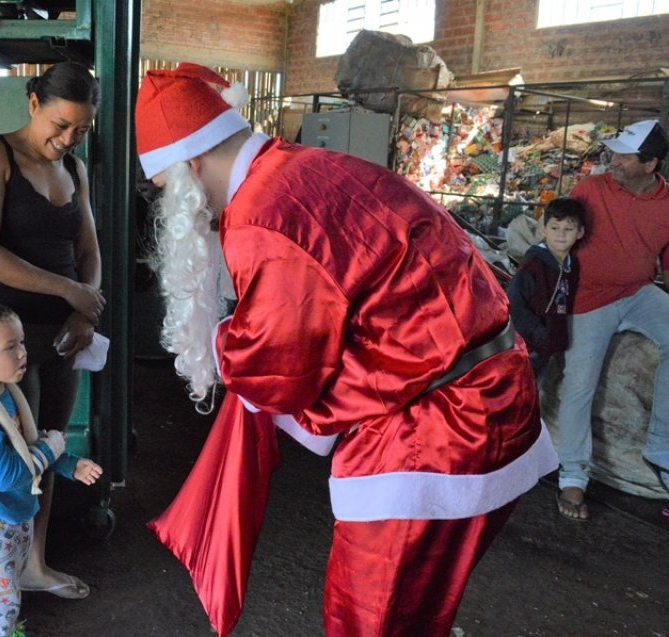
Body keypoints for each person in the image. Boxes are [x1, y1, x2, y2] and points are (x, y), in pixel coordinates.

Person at [135, 63, 557, 637]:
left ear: (190, 165)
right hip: (493, 395)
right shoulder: (311, 166)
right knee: (419, 604)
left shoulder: (262, 216)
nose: (169, 210)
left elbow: (276, 364)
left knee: (370, 617)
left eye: (164, 192)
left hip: (435, 433)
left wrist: (218, 341)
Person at [0, 61, 105, 600]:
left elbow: (88, 251)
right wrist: (71, 293)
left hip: (65, 335)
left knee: (49, 446)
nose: (67, 139)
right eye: (60, 125)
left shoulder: (77, 169)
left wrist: (85, 312)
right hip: (5, 340)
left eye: (81, 131)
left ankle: (33, 565)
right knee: (6, 463)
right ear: (32, 103)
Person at [0, 302, 103, 637]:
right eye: (10, 347)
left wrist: (70, 464)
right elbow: (8, 474)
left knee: (5, 601)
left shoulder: (4, 392)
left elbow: (29, 445)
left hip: (13, 518)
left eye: (22, 342)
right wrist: (52, 447)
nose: (22, 353)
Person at [554, 119, 669, 522]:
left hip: (638, 292)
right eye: (614, 153)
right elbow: (560, 234)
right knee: (578, 386)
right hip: (590, 297)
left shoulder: (668, 203)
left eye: (624, 155)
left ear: (650, 164)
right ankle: (573, 476)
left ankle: (661, 451)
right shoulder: (591, 189)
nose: (613, 161)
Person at [507, 198, 585, 379]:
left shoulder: (571, 267)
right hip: (525, 347)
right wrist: (539, 333)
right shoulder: (533, 266)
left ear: (580, 232)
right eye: (555, 228)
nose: (561, 234)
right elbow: (514, 304)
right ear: (543, 229)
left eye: (569, 229)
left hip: (547, 349)